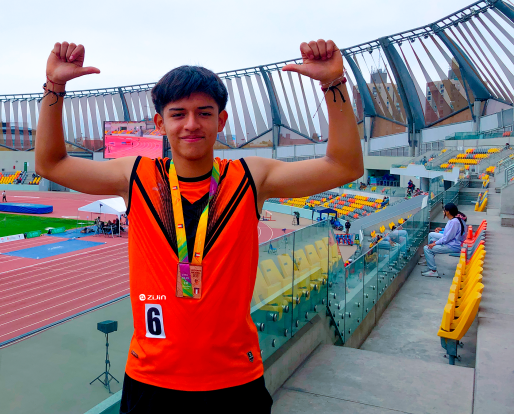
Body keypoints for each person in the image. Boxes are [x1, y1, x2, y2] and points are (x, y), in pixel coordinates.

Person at [35, 39, 362, 412]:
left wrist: (334, 85)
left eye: (204, 113)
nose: (191, 124)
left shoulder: (250, 177)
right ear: (160, 123)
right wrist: (54, 88)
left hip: (235, 383)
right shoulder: (136, 176)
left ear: (221, 120)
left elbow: (344, 166)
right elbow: (51, 164)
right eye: (178, 114)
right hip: (151, 383)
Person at [421, 202, 466, 278]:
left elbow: (447, 238)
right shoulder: (454, 220)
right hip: (451, 243)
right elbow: (448, 235)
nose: (443, 212)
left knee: (427, 248)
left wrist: (435, 243)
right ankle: (430, 261)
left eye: (444, 210)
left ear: (448, 212)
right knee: (431, 239)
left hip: (452, 246)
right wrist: (437, 242)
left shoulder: (454, 222)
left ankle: (433, 271)